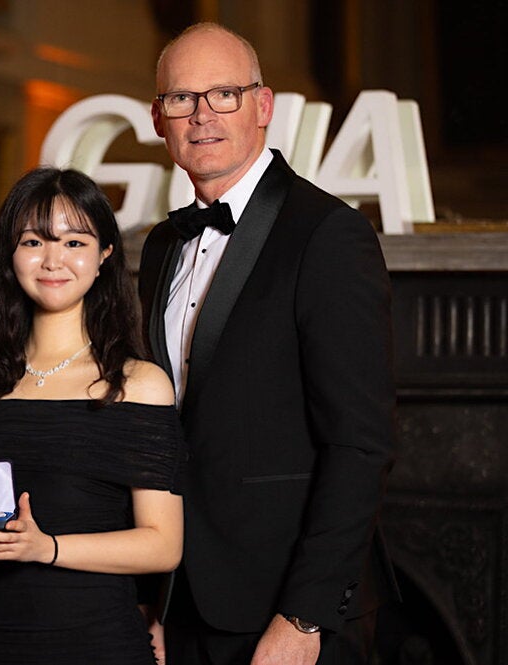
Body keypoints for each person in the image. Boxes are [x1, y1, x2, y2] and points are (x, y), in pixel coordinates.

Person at [138, 23, 400, 665]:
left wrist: (304, 618)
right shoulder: (160, 246)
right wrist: (150, 600)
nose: (202, 115)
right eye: (182, 98)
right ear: (158, 118)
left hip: (288, 612)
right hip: (180, 600)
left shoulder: (329, 234)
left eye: (224, 94)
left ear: (263, 106)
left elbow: (360, 443)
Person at [0, 167, 185, 664]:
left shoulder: (139, 384)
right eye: (33, 241)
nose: (53, 260)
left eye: (74, 242)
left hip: (100, 646)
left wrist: (46, 548)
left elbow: (163, 546)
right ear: (9, 255)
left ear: (104, 255)